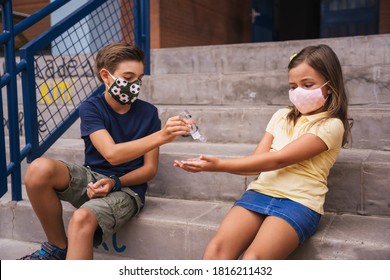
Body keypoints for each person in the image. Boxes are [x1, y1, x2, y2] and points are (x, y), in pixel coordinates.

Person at [174, 44, 351, 260]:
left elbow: (278, 160)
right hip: (260, 192)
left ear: (329, 86)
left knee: (253, 261)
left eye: (307, 85)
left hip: (299, 202)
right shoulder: (280, 116)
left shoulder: (331, 125)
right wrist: (208, 166)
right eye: (293, 86)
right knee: (215, 252)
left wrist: (218, 165)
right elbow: (256, 163)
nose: (298, 92)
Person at [20, 42, 190, 260]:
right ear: (106, 76)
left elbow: (149, 169)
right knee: (38, 168)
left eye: (139, 79)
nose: (135, 85)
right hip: (92, 179)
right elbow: (112, 154)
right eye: (128, 78)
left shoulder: (148, 113)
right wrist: (161, 136)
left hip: (127, 190)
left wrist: (115, 182)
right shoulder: (91, 107)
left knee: (81, 219)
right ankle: (58, 247)